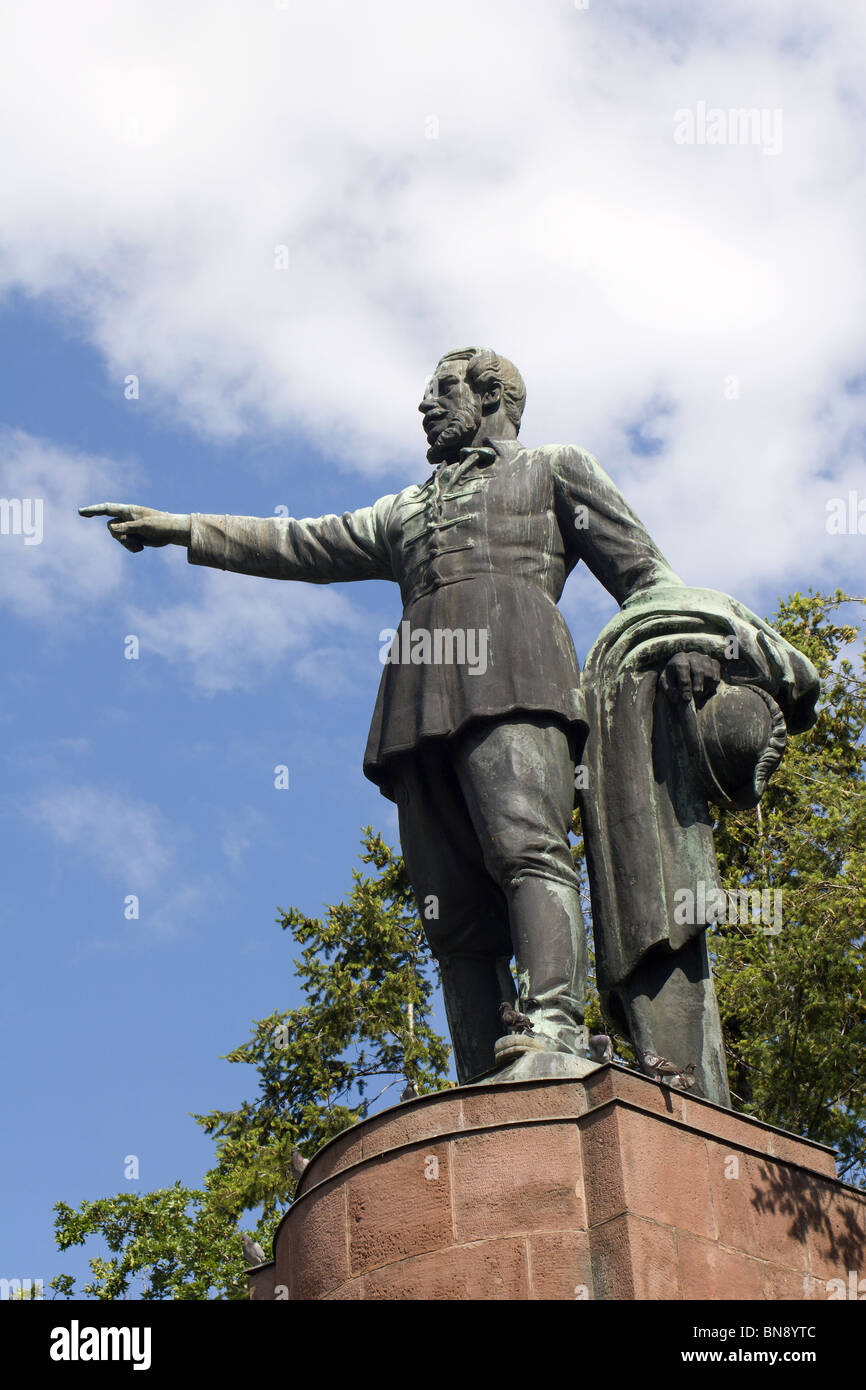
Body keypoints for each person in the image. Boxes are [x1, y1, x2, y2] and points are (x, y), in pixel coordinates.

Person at [81, 347, 817, 1102]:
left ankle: (554, 1029)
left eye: (441, 392)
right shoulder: (402, 510)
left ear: (492, 395)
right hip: (417, 700)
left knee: (528, 850)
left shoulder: (555, 469)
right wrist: (181, 529)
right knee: (451, 907)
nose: (425, 408)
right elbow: (300, 543)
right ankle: (484, 1072)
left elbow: (648, 577)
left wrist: (690, 643)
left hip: (519, 670)